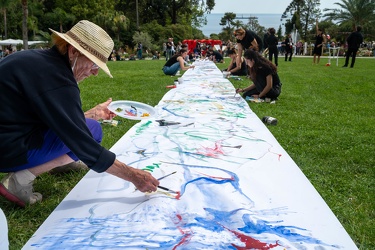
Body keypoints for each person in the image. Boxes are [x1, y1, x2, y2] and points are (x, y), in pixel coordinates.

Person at [0, 20, 160, 208]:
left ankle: (58, 163)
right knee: (92, 131)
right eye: (94, 63)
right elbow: (82, 143)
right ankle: (19, 181)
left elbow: (56, 119)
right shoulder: (58, 79)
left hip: (10, 135)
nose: (94, 72)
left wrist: (92, 113)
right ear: (73, 51)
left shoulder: (38, 61)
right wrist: (134, 176)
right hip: (7, 148)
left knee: (90, 125)